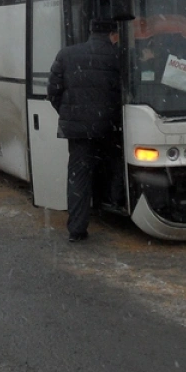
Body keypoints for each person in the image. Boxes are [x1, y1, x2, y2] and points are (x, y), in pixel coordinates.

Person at [47, 18, 123, 242]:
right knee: (115, 164)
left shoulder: (67, 54)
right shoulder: (117, 56)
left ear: (90, 31)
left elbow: (53, 90)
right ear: (113, 33)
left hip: (78, 129)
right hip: (109, 126)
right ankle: (116, 204)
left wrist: (69, 112)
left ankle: (77, 229)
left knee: (79, 176)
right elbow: (122, 92)